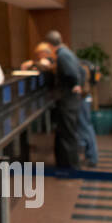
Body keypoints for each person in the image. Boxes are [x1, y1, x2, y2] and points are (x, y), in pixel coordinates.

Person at [44, 30, 84, 169]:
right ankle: (66, 164)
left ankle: (71, 166)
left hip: (68, 100)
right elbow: (81, 71)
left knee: (67, 133)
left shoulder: (62, 56)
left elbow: (71, 74)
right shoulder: (67, 52)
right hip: (71, 100)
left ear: (49, 44)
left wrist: (75, 84)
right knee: (67, 132)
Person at [76, 59, 99, 167]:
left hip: (83, 98)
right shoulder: (85, 66)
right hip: (86, 98)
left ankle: (92, 157)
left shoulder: (82, 68)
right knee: (87, 127)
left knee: (85, 128)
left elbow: (83, 86)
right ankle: (91, 156)